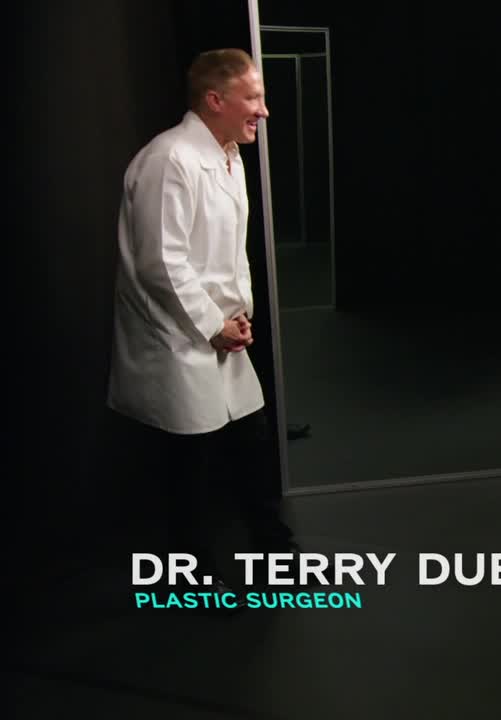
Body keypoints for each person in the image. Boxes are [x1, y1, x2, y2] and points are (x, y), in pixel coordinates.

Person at [107, 49, 295, 592]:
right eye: (253, 98)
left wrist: (238, 316)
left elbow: (228, 253)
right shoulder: (170, 159)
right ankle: (190, 583)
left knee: (250, 447)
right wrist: (214, 324)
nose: (263, 111)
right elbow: (161, 262)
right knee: (188, 467)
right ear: (215, 100)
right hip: (178, 337)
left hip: (222, 332)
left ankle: (277, 557)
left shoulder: (229, 156)